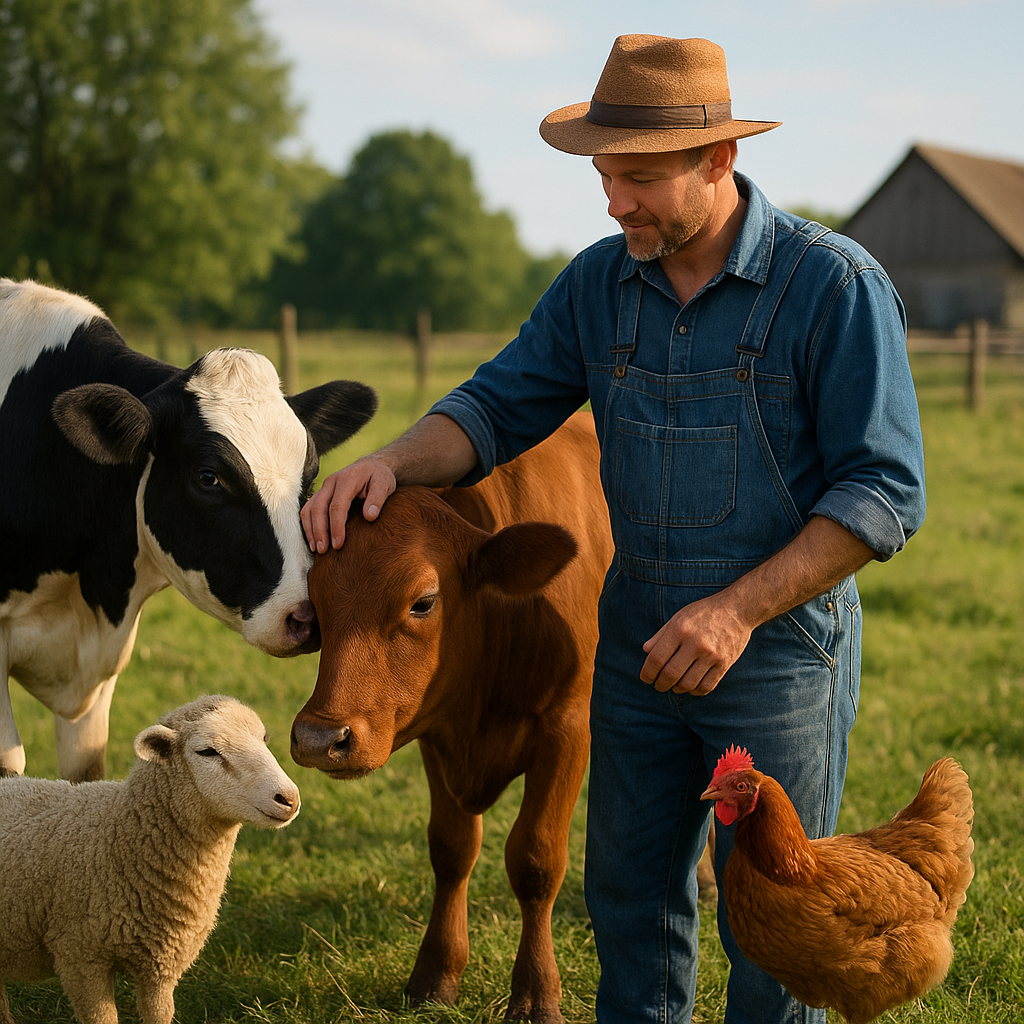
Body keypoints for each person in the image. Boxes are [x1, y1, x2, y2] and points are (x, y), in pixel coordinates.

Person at [301, 34, 927, 1024]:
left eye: (639, 178)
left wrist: (732, 612)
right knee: (627, 904)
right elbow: (495, 405)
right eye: (604, 175)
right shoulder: (598, 284)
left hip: (775, 649)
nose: (612, 202)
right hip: (632, 647)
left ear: (717, 161)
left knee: (775, 920)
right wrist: (388, 463)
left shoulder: (831, 286)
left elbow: (884, 491)